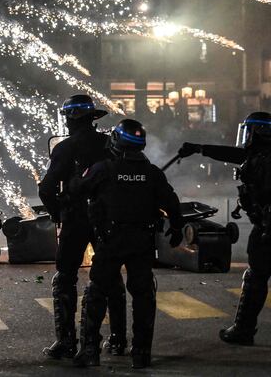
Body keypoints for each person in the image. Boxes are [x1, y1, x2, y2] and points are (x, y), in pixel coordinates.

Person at [71, 119, 184, 369]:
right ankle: (141, 354)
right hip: (142, 242)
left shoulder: (103, 169)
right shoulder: (152, 173)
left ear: (116, 141)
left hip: (111, 241)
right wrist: (176, 228)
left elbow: (77, 188)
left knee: (96, 292)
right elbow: (172, 204)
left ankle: (89, 351)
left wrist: (77, 174)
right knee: (144, 295)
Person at [38, 95, 128, 359]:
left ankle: (66, 341)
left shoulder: (65, 148)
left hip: (76, 219)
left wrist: (57, 213)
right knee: (110, 277)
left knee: (65, 277)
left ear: (70, 118)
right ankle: (118, 339)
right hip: (108, 219)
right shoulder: (109, 143)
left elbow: (46, 189)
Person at [178, 111, 271, 345]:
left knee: (256, 277)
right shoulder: (261, 156)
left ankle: (243, 329)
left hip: (267, 230)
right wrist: (200, 148)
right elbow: (235, 154)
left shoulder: (264, 161)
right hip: (265, 227)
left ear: (258, 133)